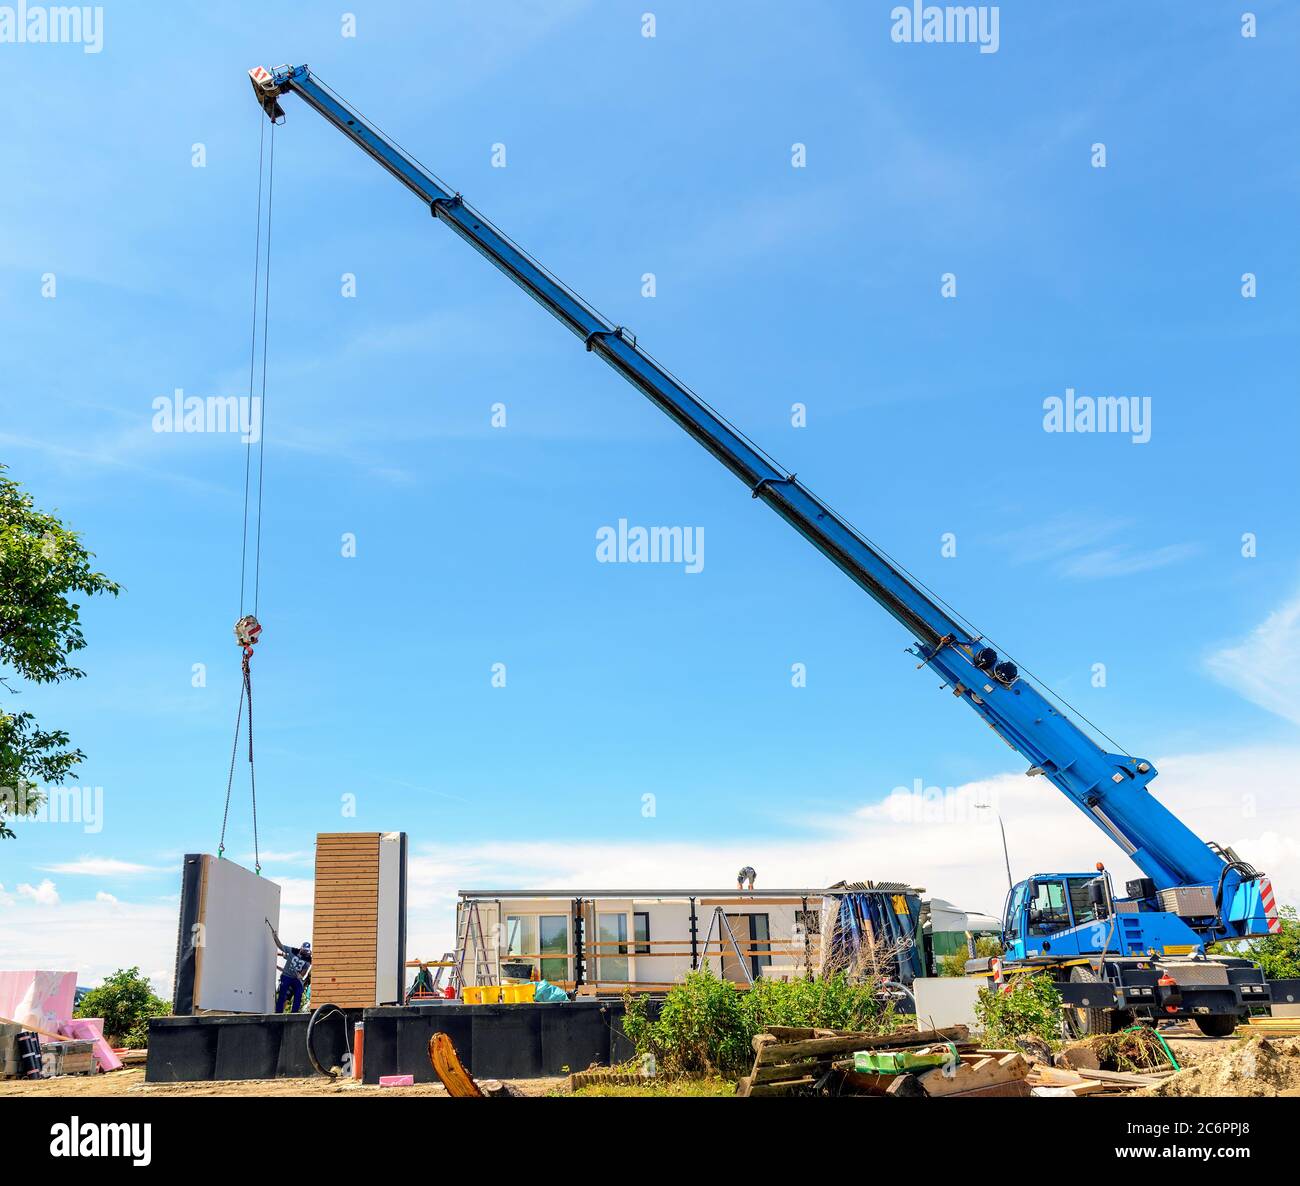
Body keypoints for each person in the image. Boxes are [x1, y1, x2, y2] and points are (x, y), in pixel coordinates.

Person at [266, 918, 312, 1013]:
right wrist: (275, 937)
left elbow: (303, 973)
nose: (306, 953)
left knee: (299, 992)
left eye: (307, 951)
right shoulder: (292, 951)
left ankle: (294, 1012)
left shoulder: (308, 960)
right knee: (282, 994)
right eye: (305, 951)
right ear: (301, 949)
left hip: (296, 978)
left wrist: (300, 976)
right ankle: (278, 1013)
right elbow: (280, 946)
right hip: (286, 976)